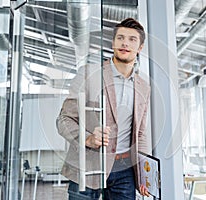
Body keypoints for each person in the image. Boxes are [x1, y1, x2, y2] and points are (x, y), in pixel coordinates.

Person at [56, 18, 151, 199]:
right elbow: (63, 120)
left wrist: (144, 174)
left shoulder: (143, 87)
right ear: (113, 43)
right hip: (87, 165)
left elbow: (140, 134)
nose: (125, 43)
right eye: (120, 38)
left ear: (140, 47)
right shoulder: (88, 74)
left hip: (125, 171)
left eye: (132, 39)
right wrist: (88, 139)